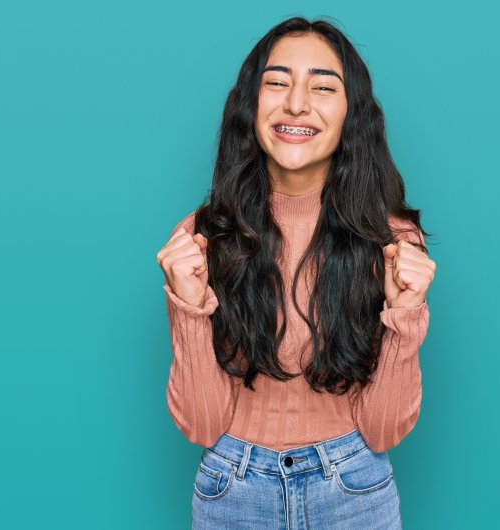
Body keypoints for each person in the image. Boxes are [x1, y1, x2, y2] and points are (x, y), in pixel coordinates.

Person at [156, 16, 437, 529]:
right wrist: (189, 304)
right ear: (251, 107)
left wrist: (404, 313)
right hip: (231, 492)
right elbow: (201, 424)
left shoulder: (392, 244)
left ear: (351, 112)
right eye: (278, 82)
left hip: (355, 492)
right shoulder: (201, 238)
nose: (296, 104)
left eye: (323, 87)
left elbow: (383, 430)